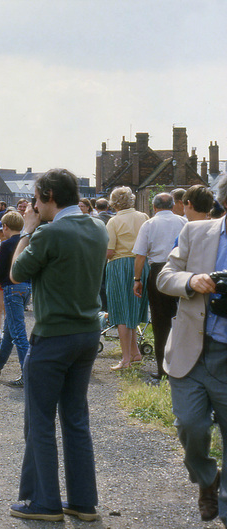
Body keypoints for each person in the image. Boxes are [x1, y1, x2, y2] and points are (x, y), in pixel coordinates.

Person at [8, 168, 107, 522]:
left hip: (53, 336)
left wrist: (26, 231)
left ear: (48, 196)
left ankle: (44, 502)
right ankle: (83, 501)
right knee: (76, 418)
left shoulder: (48, 234)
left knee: (39, 420)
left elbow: (16, 273)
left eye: (36, 199)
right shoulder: (97, 227)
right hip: (87, 334)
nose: (33, 205)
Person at [156, 175, 227, 524]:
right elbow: (164, 276)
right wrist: (190, 280)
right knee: (191, 427)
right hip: (194, 351)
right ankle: (206, 478)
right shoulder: (195, 232)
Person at [132, 193, 186, 378]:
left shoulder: (149, 224)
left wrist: (137, 279)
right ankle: (182, 366)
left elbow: (140, 255)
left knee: (160, 321)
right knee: (182, 317)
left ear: (154, 207)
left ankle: (163, 369)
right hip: (180, 270)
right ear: (172, 206)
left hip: (158, 270)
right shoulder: (183, 222)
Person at [0, 211, 31, 388]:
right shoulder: (27, 242)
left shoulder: (6, 244)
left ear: (5, 226)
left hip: (11, 288)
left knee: (18, 333)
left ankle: (28, 374)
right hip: (27, 287)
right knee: (10, 330)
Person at [105, 186, 149, 371]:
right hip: (141, 264)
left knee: (121, 311)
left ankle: (125, 359)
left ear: (114, 202)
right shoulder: (144, 217)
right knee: (133, 310)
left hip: (120, 265)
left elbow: (110, 252)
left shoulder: (113, 222)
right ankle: (135, 353)